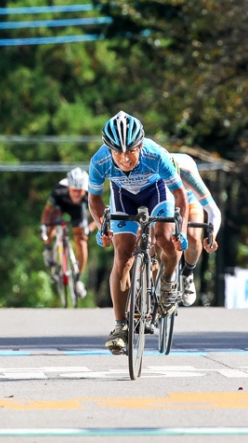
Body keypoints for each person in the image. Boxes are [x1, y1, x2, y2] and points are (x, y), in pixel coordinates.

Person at [88, 111, 189, 354]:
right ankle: (120, 326)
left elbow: (180, 196)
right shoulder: (99, 161)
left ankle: (167, 281)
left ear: (140, 145)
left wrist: (181, 231)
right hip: (123, 196)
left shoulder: (156, 155)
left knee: (165, 239)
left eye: (131, 151)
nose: (124, 158)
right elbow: (94, 200)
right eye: (118, 152)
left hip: (157, 192)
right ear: (108, 149)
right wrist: (104, 227)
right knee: (123, 256)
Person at [169, 153, 221, 306]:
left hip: (190, 198)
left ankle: (188, 273)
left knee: (193, 236)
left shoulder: (187, 174)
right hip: (165, 200)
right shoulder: (151, 171)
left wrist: (212, 236)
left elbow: (214, 211)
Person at [40, 167, 92, 299]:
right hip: (60, 207)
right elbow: (47, 210)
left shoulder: (90, 193)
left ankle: (78, 280)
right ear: (68, 187)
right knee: (52, 220)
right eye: (74, 190)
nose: (76, 194)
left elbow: (100, 215)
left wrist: (89, 229)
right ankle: (49, 248)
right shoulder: (59, 190)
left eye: (79, 191)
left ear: (84, 189)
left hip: (78, 211)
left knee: (81, 241)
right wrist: (44, 228)